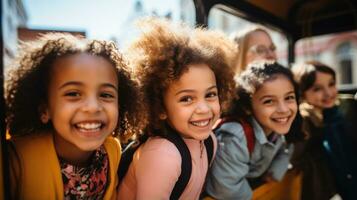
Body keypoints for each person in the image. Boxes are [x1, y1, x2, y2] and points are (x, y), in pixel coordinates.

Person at [5, 33, 144, 199]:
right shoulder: (15, 158)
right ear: (44, 110)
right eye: (73, 93)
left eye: (106, 95)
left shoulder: (112, 150)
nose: (93, 107)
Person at [117, 17, 236, 200]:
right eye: (187, 99)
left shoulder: (209, 141)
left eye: (211, 94)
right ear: (160, 108)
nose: (204, 108)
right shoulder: (163, 154)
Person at [205, 61, 297, 200]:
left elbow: (286, 149)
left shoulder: (277, 128)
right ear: (248, 107)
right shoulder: (234, 137)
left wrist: (274, 172)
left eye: (289, 97)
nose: (284, 109)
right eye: (269, 101)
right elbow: (227, 190)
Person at [291, 61, 357, 200]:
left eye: (331, 84)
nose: (328, 93)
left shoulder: (339, 112)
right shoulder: (305, 121)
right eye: (317, 89)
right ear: (302, 93)